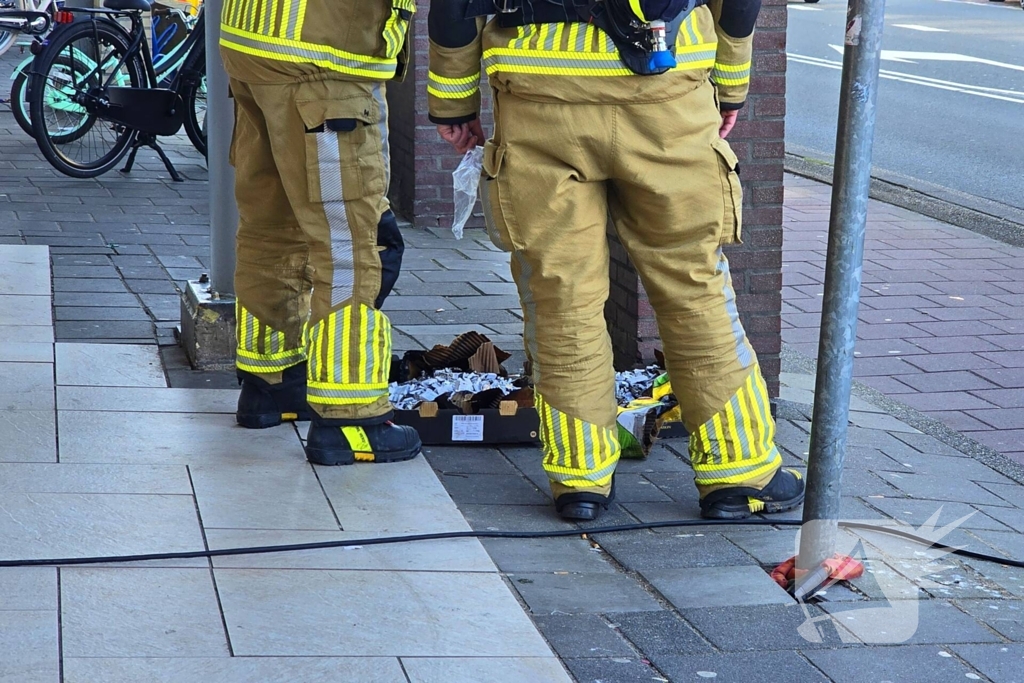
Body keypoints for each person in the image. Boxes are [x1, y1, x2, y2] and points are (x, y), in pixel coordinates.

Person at [428, 0, 804, 521]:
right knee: (693, 289)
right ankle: (741, 474)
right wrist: (731, 86)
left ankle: (580, 480)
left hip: (540, 96)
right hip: (667, 93)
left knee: (563, 300)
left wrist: (454, 101)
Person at [220, 0, 421, 466]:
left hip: (252, 46)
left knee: (270, 226)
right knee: (349, 245)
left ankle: (268, 384)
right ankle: (350, 420)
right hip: (323, 59)